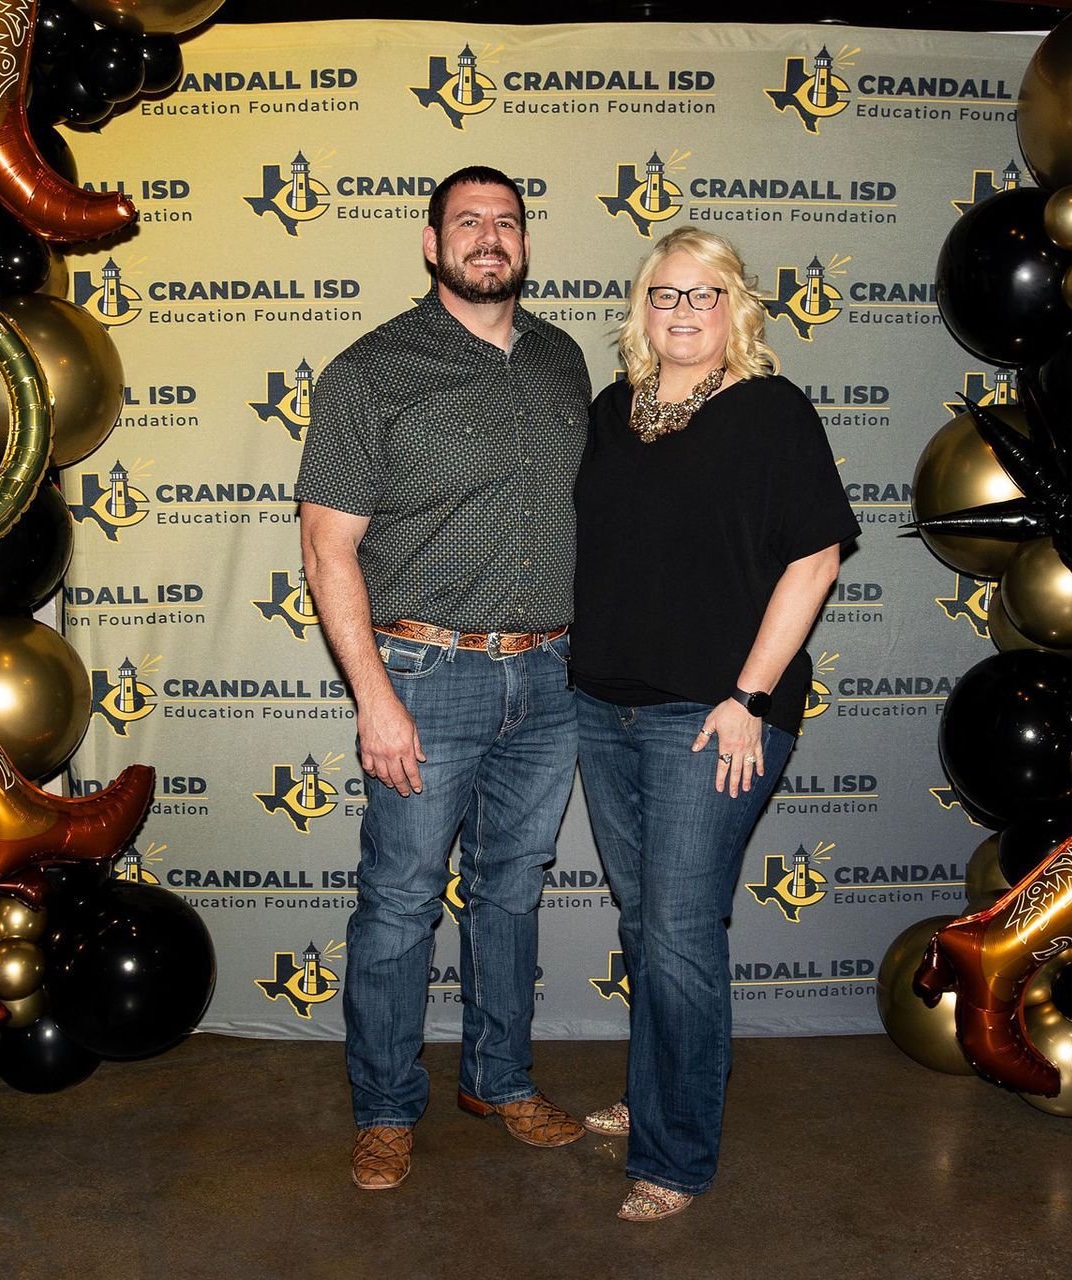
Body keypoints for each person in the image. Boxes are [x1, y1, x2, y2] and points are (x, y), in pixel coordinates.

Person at [297, 165, 594, 1192]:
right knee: (399, 903)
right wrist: (375, 697)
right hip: (424, 675)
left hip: (551, 677)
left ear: (525, 243)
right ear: (432, 244)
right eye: (468, 221)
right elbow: (328, 548)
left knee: (512, 891)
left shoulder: (561, 359)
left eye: (506, 221)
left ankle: (499, 1080)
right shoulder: (371, 371)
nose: (489, 237)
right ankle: (384, 1108)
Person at [570, 227, 857, 1222]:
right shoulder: (611, 413)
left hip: (714, 714)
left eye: (704, 294)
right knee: (646, 922)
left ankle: (677, 1153)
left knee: (681, 928)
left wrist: (750, 699)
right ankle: (658, 1092)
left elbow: (815, 560)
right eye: (665, 294)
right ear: (640, 311)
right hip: (601, 705)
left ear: (737, 309)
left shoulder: (772, 411)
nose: (683, 311)